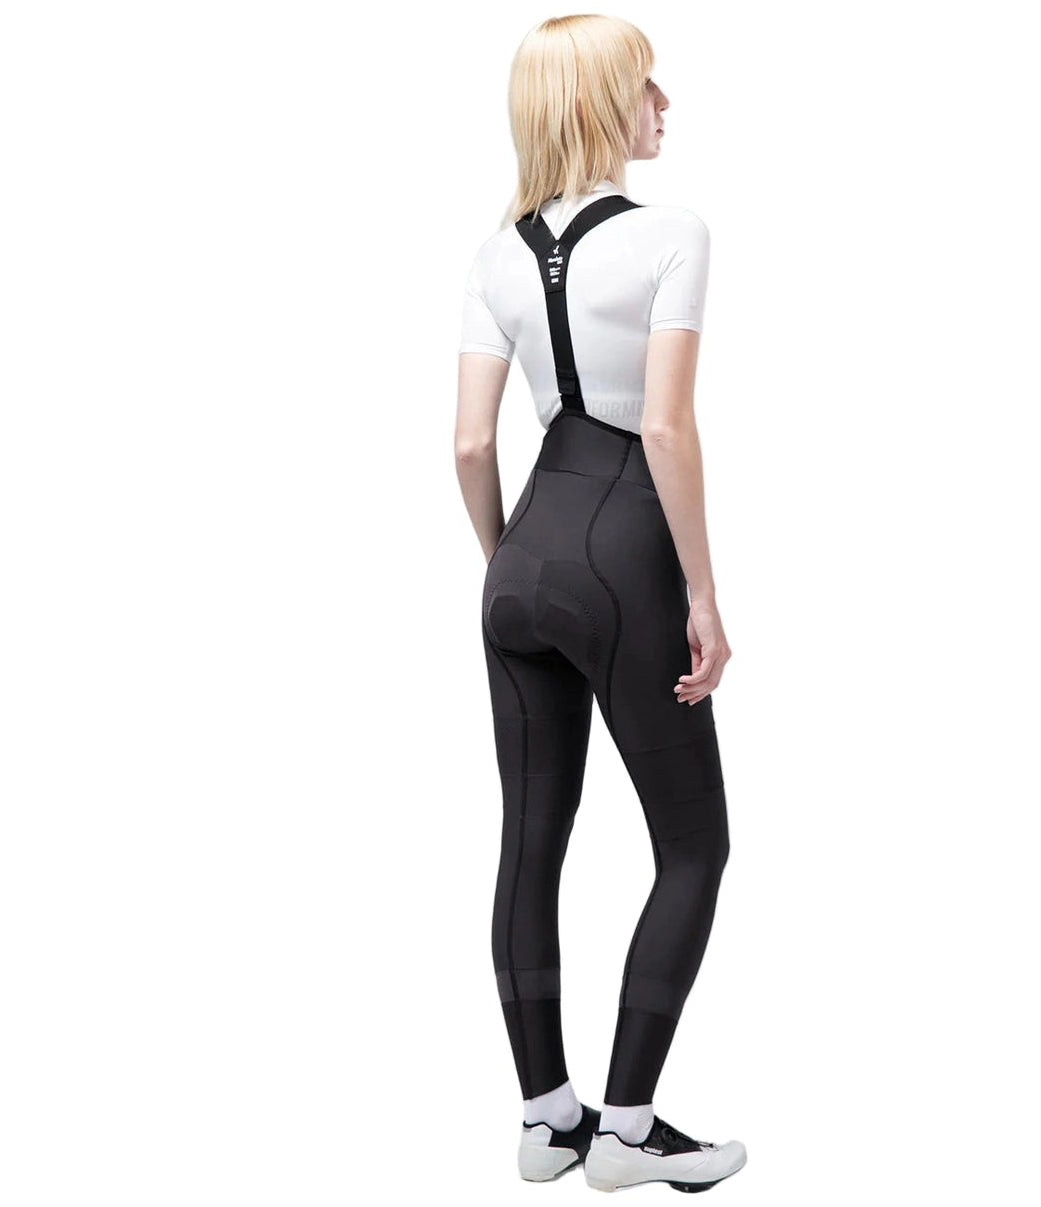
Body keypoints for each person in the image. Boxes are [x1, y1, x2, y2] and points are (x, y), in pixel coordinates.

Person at [454, 15, 746, 1193]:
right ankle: (626, 1129)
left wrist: (509, 567)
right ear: (598, 103)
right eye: (645, 85)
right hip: (623, 547)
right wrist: (703, 593)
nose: (663, 103)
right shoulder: (672, 234)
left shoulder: (494, 254)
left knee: (531, 840)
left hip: (521, 550)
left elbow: (471, 443)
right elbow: (664, 427)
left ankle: (545, 1121)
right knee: (694, 844)